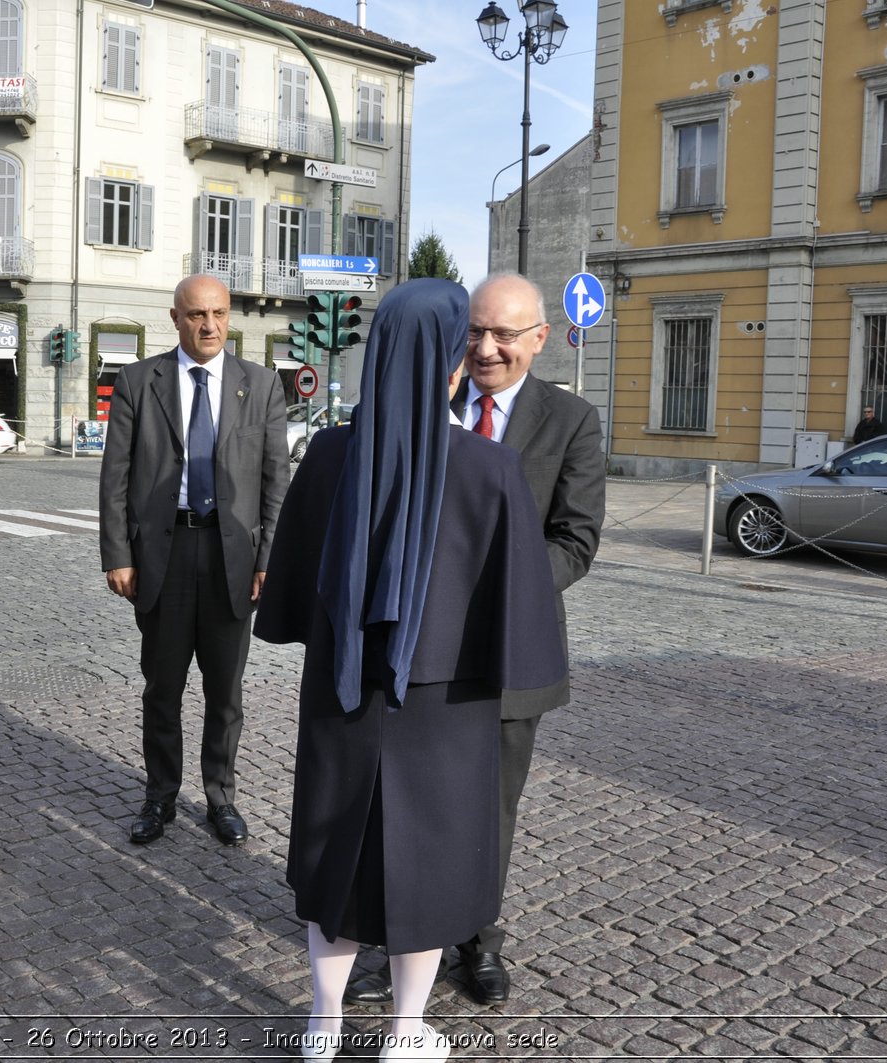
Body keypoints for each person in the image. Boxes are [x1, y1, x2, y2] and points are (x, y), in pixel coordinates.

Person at [255, 278, 566, 1062]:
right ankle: (404, 1033)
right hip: (446, 699)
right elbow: (516, 601)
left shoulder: (326, 454)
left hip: (343, 687)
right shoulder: (489, 468)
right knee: (427, 865)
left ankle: (322, 1030)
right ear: (447, 359)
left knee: (336, 856)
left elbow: (290, 584)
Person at [344, 272, 606, 1008]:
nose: (487, 349)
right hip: (416, 656)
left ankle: (477, 941)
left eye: (505, 335)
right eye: (475, 332)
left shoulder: (572, 420)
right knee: (398, 801)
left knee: (490, 807)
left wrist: (492, 591)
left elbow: (576, 541)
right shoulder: (424, 401)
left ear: (539, 340)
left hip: (506, 653)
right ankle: (384, 937)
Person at [99, 274, 290, 847]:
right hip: (164, 552)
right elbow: (116, 475)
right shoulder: (138, 380)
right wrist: (118, 553)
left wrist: (268, 558)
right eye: (196, 315)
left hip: (233, 553)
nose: (209, 326)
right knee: (162, 686)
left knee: (225, 689)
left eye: (219, 314)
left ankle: (221, 797)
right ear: (175, 318)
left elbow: (276, 481)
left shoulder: (260, 385)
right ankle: (159, 796)